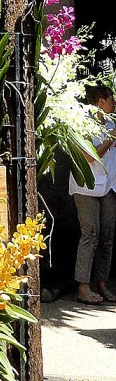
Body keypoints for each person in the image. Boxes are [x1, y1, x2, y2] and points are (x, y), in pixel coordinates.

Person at [70, 83, 116, 304]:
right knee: (91, 234)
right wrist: (112, 137)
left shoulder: (111, 123)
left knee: (107, 236)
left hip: (109, 186)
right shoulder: (82, 124)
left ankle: (102, 284)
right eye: (111, 99)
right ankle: (83, 287)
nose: (114, 103)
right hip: (85, 186)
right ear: (100, 101)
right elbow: (90, 157)